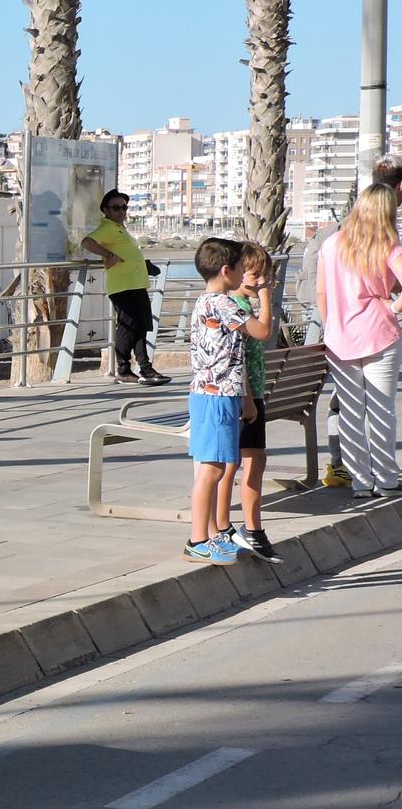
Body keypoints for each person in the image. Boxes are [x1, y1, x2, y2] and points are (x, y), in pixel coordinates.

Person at [302, 155, 402, 484]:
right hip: (378, 333)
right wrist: (392, 307)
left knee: (350, 410)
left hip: (339, 337)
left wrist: (335, 324)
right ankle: (386, 478)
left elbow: (320, 294)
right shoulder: (389, 246)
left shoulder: (331, 245)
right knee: (380, 409)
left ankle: (360, 481)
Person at [183, 238, 252, 565]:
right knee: (211, 469)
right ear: (227, 271)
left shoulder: (204, 302)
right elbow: (262, 331)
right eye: (241, 268)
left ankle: (209, 535)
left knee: (216, 466)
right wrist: (263, 295)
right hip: (217, 395)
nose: (244, 274)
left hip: (211, 393)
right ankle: (197, 539)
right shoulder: (224, 304)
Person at [81, 190, 172, 385]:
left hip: (136, 284)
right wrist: (108, 255)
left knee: (141, 327)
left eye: (123, 207)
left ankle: (145, 368)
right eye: (116, 208)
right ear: (105, 210)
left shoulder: (119, 229)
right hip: (123, 286)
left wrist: (143, 264)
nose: (121, 211)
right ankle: (123, 369)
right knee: (127, 328)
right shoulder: (107, 228)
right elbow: (87, 242)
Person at [225, 242, 281, 560]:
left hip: (253, 394)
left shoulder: (242, 303)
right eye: (255, 274)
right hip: (244, 395)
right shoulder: (236, 306)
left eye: (265, 274)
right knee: (235, 463)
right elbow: (260, 335)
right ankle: (234, 527)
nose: (261, 280)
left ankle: (252, 526)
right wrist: (266, 297)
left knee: (255, 458)